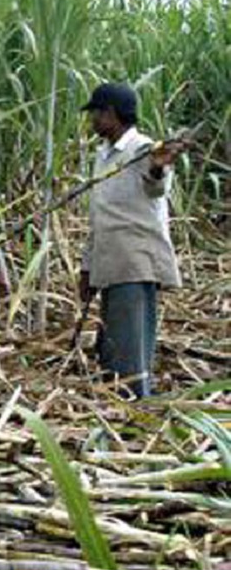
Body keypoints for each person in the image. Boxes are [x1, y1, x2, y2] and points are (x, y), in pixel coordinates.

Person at [79, 82, 183, 398]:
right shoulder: (105, 155)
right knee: (112, 348)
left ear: (111, 114)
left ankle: (137, 412)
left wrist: (157, 168)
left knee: (130, 352)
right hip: (110, 264)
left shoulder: (145, 149)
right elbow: (99, 217)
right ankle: (118, 408)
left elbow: (156, 185)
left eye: (96, 113)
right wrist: (88, 268)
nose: (92, 121)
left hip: (135, 262)